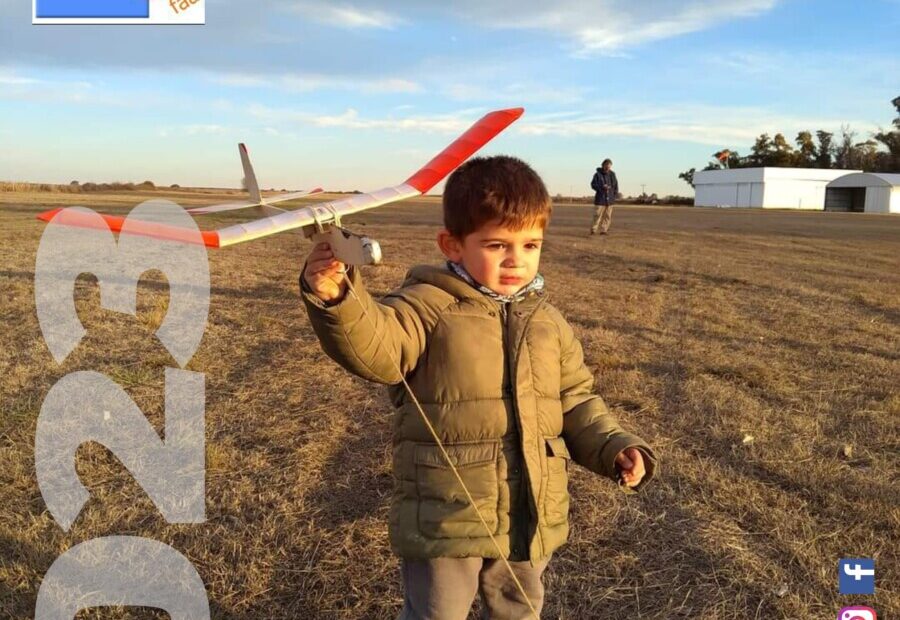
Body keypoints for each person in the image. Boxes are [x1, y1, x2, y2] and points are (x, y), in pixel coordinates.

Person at [300, 155, 657, 619]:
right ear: (452, 244)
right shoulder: (426, 305)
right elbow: (378, 348)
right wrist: (339, 298)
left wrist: (615, 445)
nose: (516, 260)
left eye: (531, 245)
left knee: (518, 611)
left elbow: (576, 399)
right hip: (446, 517)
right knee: (435, 613)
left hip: (529, 514)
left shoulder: (547, 322)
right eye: (496, 245)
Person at [590, 158, 618, 235]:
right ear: (603, 165)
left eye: (609, 167)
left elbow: (615, 186)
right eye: (606, 167)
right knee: (597, 215)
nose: (608, 169)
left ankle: (604, 230)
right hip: (600, 200)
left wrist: (613, 195)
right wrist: (601, 187)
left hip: (610, 200)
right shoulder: (597, 175)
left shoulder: (612, 174)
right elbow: (593, 185)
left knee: (607, 216)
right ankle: (593, 230)